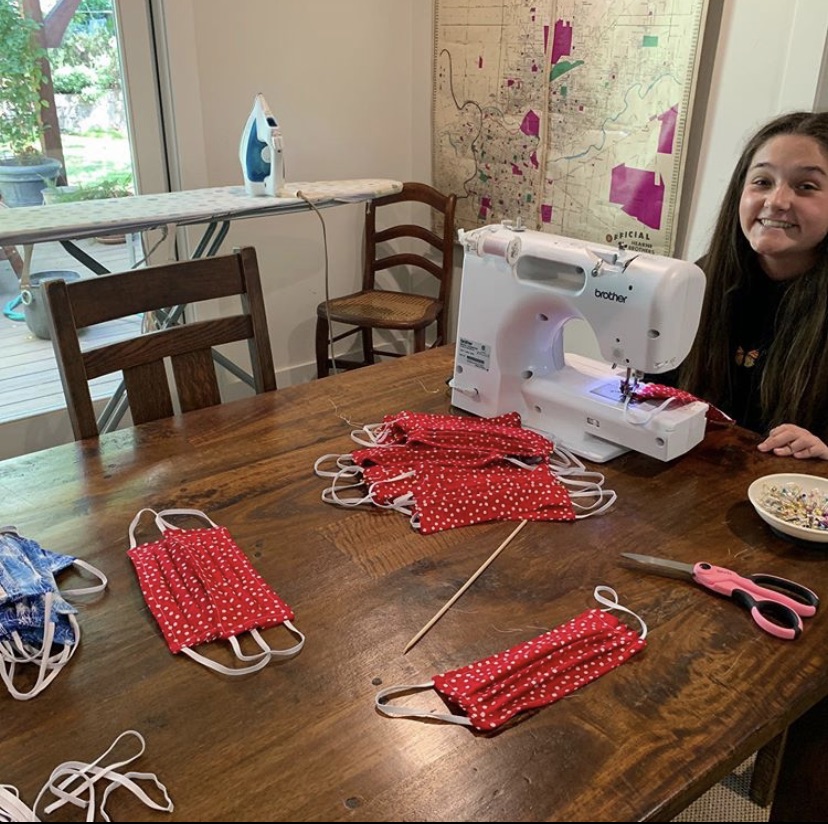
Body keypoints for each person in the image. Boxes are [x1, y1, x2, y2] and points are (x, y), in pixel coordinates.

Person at [673, 110, 828, 460]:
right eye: (762, 182)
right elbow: (649, 387)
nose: (776, 201)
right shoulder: (698, 281)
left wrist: (823, 455)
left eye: (806, 186)